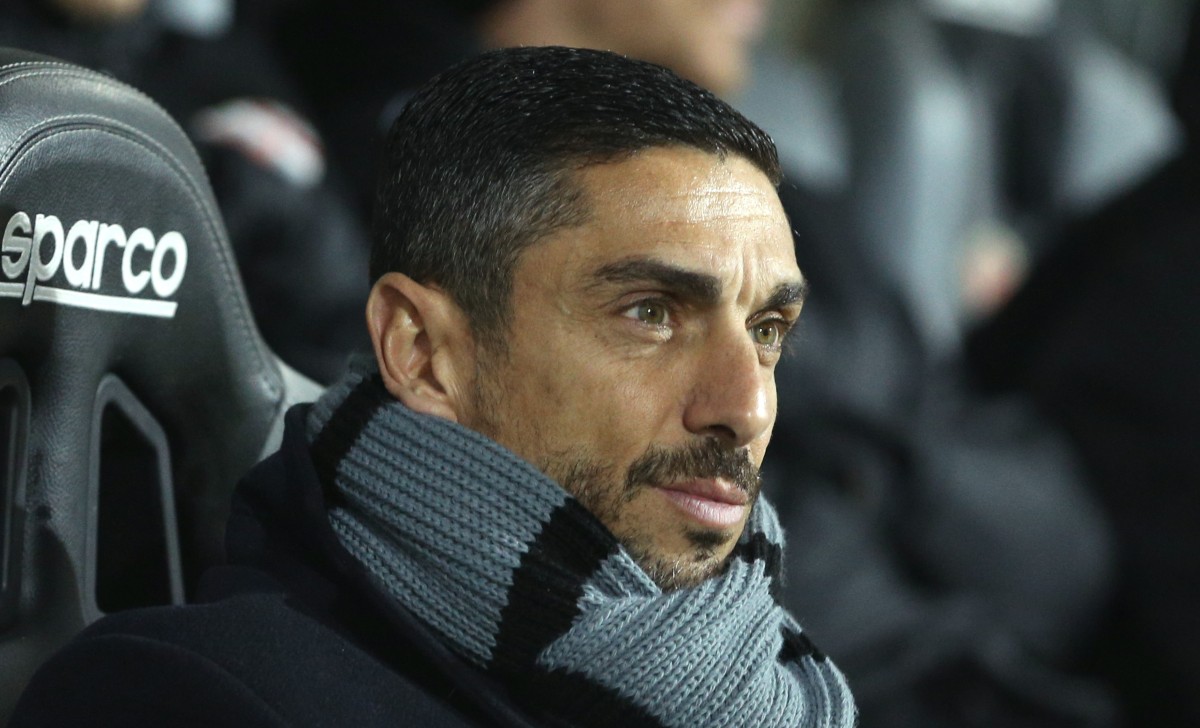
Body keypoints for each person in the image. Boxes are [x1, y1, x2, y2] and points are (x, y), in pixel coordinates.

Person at [10, 46, 856, 727]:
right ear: (420, 353)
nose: (745, 407)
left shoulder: (781, 689)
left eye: (767, 331)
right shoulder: (193, 699)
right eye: (651, 313)